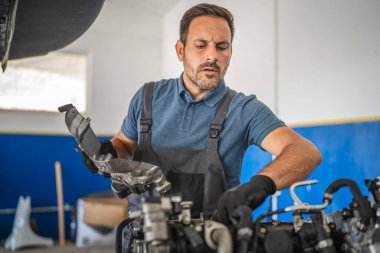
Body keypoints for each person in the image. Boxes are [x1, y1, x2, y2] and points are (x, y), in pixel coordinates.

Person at [84, 3, 322, 224]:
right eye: (201, 45)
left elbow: (305, 152)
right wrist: (111, 151)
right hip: (144, 235)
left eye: (222, 46)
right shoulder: (147, 97)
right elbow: (125, 143)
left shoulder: (244, 110)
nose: (212, 56)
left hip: (212, 239)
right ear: (180, 50)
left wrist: (258, 185)